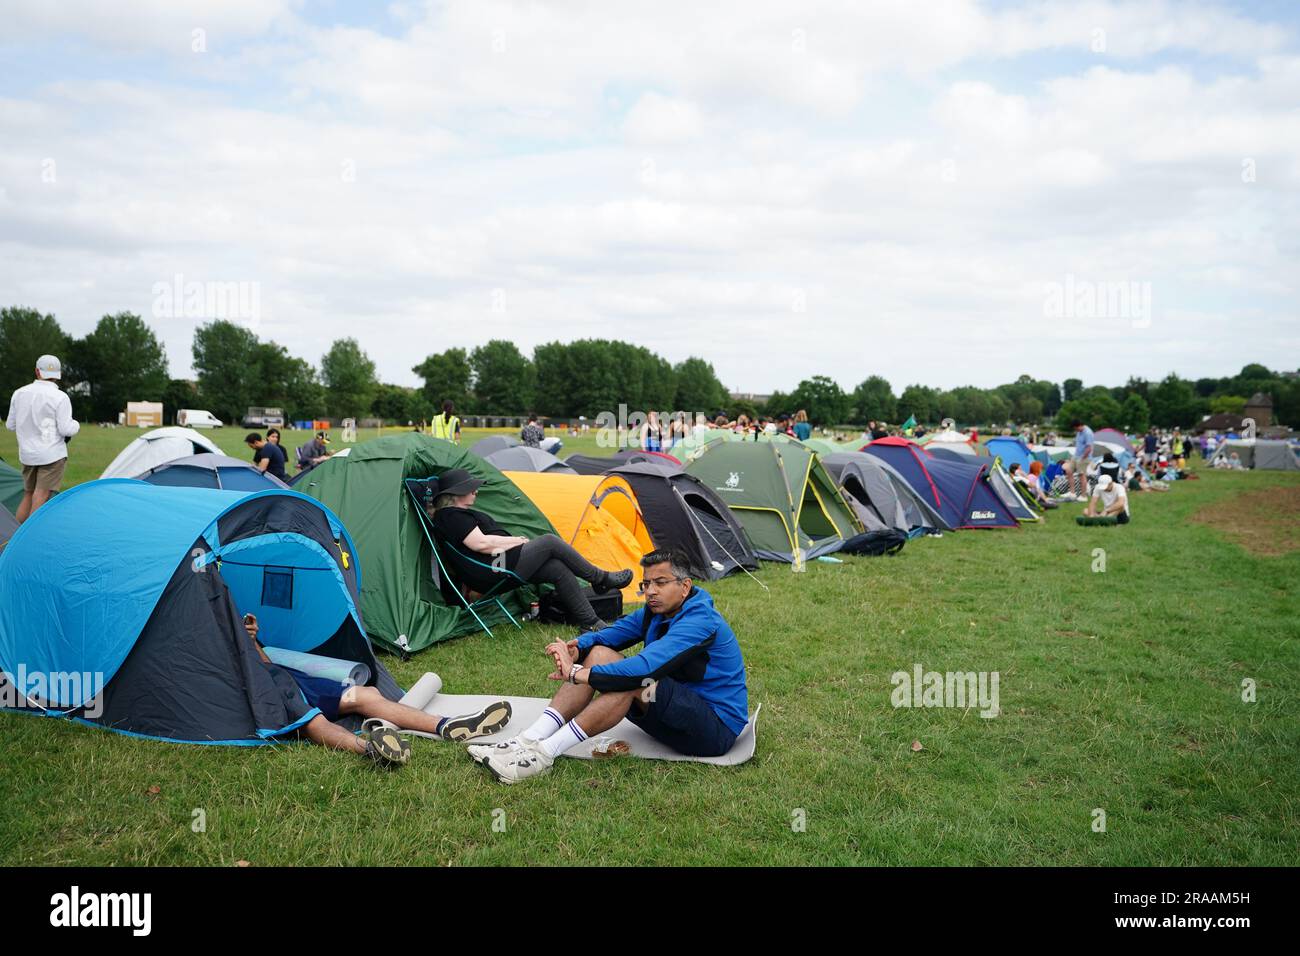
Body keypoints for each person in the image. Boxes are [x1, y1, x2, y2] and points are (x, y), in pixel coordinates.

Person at [469, 549, 748, 784]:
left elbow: (642, 670)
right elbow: (610, 635)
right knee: (602, 653)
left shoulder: (701, 621)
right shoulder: (656, 611)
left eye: (660, 583)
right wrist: (576, 647)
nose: (650, 591)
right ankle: (528, 739)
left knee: (634, 680)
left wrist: (577, 673)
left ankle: (544, 754)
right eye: (646, 583)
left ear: (685, 586)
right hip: (676, 718)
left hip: (713, 731)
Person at [241, 614, 511, 765]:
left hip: (290, 679)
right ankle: (369, 750)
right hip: (270, 690)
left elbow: (265, 663)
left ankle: (448, 725)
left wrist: (251, 640)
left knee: (366, 694)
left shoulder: (240, 635)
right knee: (309, 719)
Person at [429, 469, 632, 631]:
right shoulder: (450, 516)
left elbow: (484, 542)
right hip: (492, 568)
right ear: (455, 494)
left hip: (496, 562)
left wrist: (513, 542)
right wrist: (516, 542)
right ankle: (601, 579)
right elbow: (481, 544)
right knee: (550, 542)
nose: (476, 491)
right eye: (470, 488)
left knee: (556, 569)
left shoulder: (456, 514)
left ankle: (590, 622)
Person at [5, 354, 79, 522]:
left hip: (27, 455)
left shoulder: (19, 393)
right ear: (58, 374)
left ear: (37, 371)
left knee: (28, 494)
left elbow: (10, 425)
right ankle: (28, 539)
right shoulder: (61, 397)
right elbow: (66, 428)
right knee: (41, 495)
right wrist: (76, 424)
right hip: (52, 455)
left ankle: (15, 536)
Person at [1064, 420, 1094, 500]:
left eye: (1075, 428)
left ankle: (1083, 496)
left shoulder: (1088, 433)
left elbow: (1089, 448)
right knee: (1068, 470)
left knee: (1082, 475)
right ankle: (1072, 493)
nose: (1075, 430)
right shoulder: (1079, 432)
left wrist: (1082, 458)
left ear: (1079, 426)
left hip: (1085, 457)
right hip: (1076, 456)